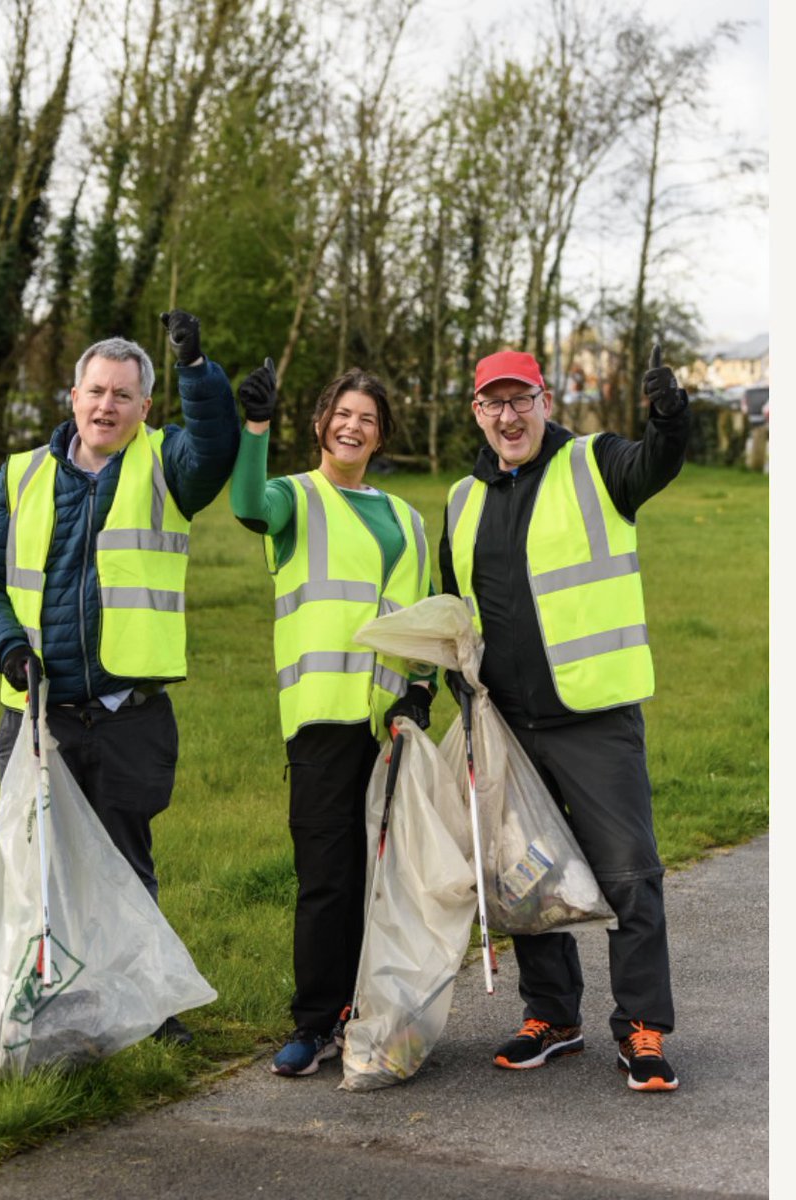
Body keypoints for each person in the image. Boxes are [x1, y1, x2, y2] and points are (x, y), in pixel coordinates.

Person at [0, 310, 239, 1047]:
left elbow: (216, 450)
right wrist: (7, 648)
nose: (106, 406)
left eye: (122, 395)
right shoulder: (20, 476)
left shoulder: (168, 463)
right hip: (37, 712)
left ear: (146, 407)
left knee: (123, 869)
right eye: (95, 391)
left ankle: (146, 1013)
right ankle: (48, 1017)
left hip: (126, 712)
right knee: (39, 875)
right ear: (72, 396)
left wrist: (197, 371)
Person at [440, 346, 689, 1092]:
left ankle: (641, 1027)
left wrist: (668, 415)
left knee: (626, 875)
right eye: (493, 404)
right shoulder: (460, 498)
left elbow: (658, 462)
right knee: (530, 878)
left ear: (544, 401)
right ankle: (551, 1017)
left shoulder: (595, 462)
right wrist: (457, 690)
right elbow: (453, 608)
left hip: (593, 712)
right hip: (507, 722)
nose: (508, 416)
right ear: (477, 413)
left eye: (521, 401)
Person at [230, 361, 435, 1077]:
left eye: (368, 420)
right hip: (320, 722)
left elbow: (421, 623)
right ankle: (316, 1020)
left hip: (390, 729)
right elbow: (249, 504)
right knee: (326, 877)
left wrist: (420, 692)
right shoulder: (294, 497)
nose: (353, 426)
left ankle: (380, 1014)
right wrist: (253, 427)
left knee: (390, 880)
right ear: (320, 424)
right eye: (342, 414)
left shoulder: (409, 521)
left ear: (381, 438)